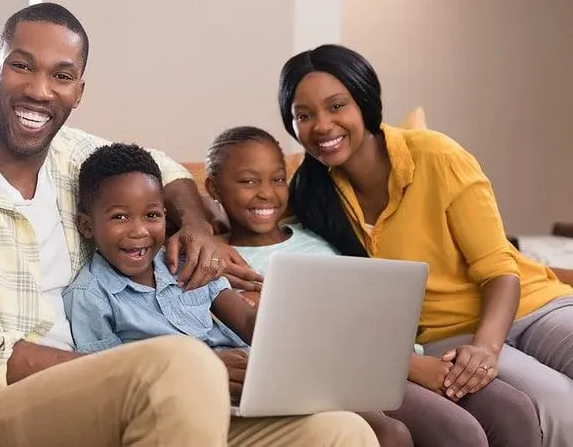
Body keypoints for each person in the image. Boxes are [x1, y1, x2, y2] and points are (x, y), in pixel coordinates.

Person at [0, 2, 376, 447]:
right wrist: (154, 371)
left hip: (120, 397)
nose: (40, 90)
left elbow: (167, 171)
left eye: (61, 75)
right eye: (23, 67)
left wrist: (195, 226)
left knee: (340, 431)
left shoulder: (73, 155)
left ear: (79, 90)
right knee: (183, 365)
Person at [278, 44, 570, 447]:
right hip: (446, 333)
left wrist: (487, 348)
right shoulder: (309, 194)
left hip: (531, 304)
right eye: (304, 116)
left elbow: (499, 269)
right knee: (560, 409)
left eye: (336, 106)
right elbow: (252, 221)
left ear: (364, 101)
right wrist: (203, 232)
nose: (323, 126)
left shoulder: (435, 154)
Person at [204, 125, 542, 447]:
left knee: (516, 411)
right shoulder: (215, 259)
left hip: (400, 352)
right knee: (459, 433)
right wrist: (411, 365)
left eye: (278, 179)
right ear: (213, 188)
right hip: (347, 370)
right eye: (248, 181)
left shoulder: (316, 236)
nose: (267, 192)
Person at [63, 141, 378, 446]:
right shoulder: (91, 296)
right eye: (120, 216)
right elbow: (110, 384)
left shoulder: (186, 260)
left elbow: (245, 320)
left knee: (367, 427)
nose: (139, 231)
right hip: (187, 409)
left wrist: (291, 316)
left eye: (152, 215)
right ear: (87, 226)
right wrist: (207, 371)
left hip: (255, 386)